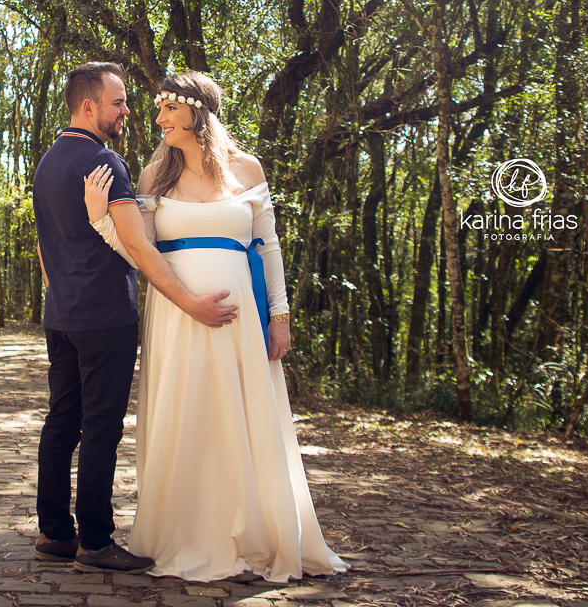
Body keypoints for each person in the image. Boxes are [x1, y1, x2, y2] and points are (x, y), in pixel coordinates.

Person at [83, 71, 350, 583]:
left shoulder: (247, 169)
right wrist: (100, 220)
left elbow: (268, 248)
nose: (158, 119)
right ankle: (185, 533)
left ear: (197, 112)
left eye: (168, 109)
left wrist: (279, 316)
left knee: (242, 419)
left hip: (240, 322)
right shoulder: (152, 176)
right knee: (189, 416)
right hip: (176, 320)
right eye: (157, 109)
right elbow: (139, 252)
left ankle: (251, 535)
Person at [32, 62, 238, 574]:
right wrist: (189, 303)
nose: (127, 110)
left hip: (61, 317)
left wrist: (61, 291)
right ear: (89, 107)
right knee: (100, 429)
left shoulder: (47, 163)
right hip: (104, 319)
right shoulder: (106, 164)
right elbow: (139, 247)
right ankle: (96, 542)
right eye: (118, 101)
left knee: (61, 422)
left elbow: (44, 245)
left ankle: (56, 534)